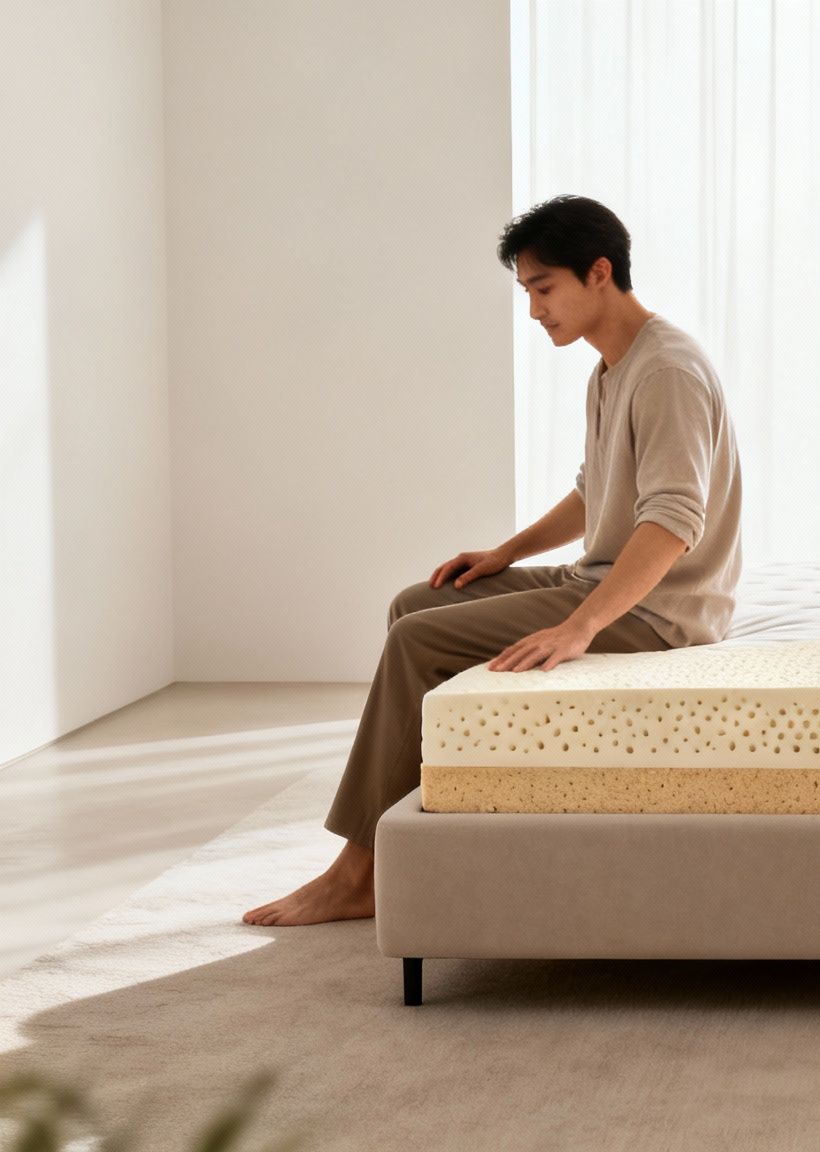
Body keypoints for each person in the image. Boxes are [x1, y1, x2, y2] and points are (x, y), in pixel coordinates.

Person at [243, 195, 745, 927]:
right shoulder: (612, 368)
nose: (536, 311)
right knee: (416, 604)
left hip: (663, 610)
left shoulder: (666, 369)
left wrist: (579, 629)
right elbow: (594, 491)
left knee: (418, 641)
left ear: (598, 272)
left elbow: (673, 522)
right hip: (604, 580)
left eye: (544, 289)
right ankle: (424, 819)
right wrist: (506, 553)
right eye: (528, 294)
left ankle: (358, 872)